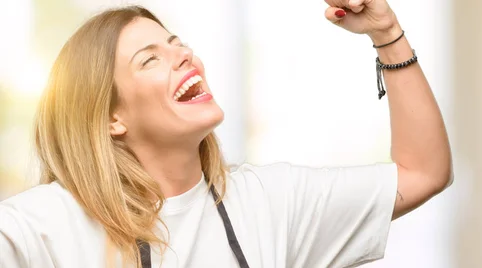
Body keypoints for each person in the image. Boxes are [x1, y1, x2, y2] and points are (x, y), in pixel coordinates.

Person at [0, 0, 452, 267]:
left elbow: (424, 172)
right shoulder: (43, 226)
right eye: (150, 59)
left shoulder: (267, 202)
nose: (183, 56)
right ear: (110, 118)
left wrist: (386, 32)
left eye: (177, 44)